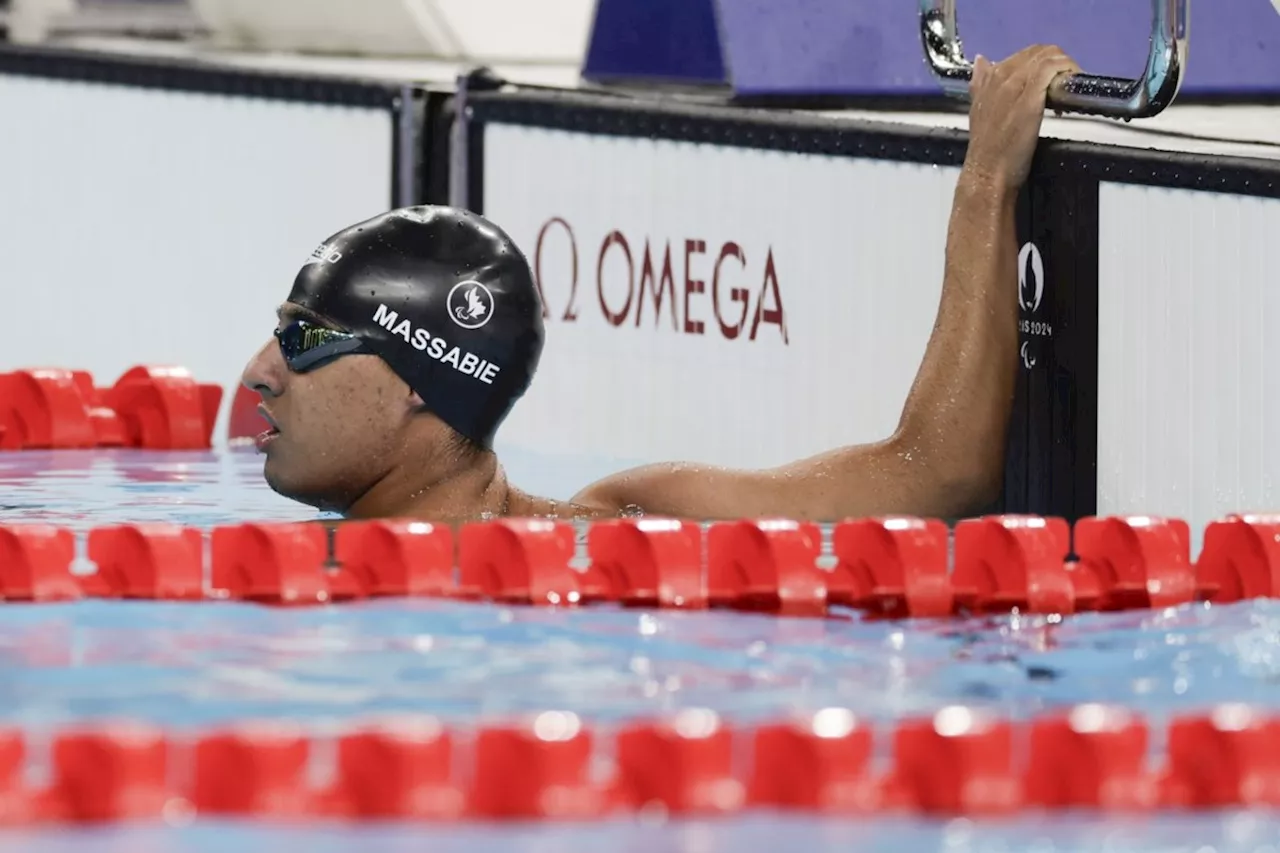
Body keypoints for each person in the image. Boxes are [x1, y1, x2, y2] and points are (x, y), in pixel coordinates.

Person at [240, 45, 1081, 525]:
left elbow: (939, 473)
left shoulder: (641, 523)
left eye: (307, 338)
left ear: (420, 382)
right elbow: (937, 474)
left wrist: (986, 182)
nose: (259, 373)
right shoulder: (635, 534)